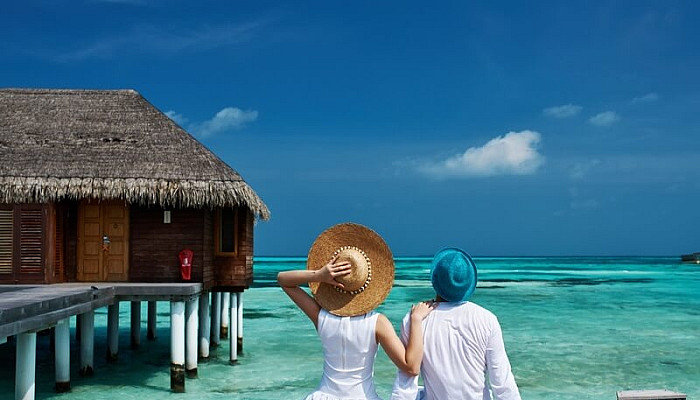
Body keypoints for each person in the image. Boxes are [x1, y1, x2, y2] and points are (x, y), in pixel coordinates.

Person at [277, 223, 436, 400]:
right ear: (368, 282)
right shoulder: (377, 323)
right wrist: (416, 320)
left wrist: (318, 275)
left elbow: (283, 280)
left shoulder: (321, 317)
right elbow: (411, 367)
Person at [391, 248, 521, 400]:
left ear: (435, 280)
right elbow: (502, 382)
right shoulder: (487, 319)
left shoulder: (415, 319)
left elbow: (406, 382)